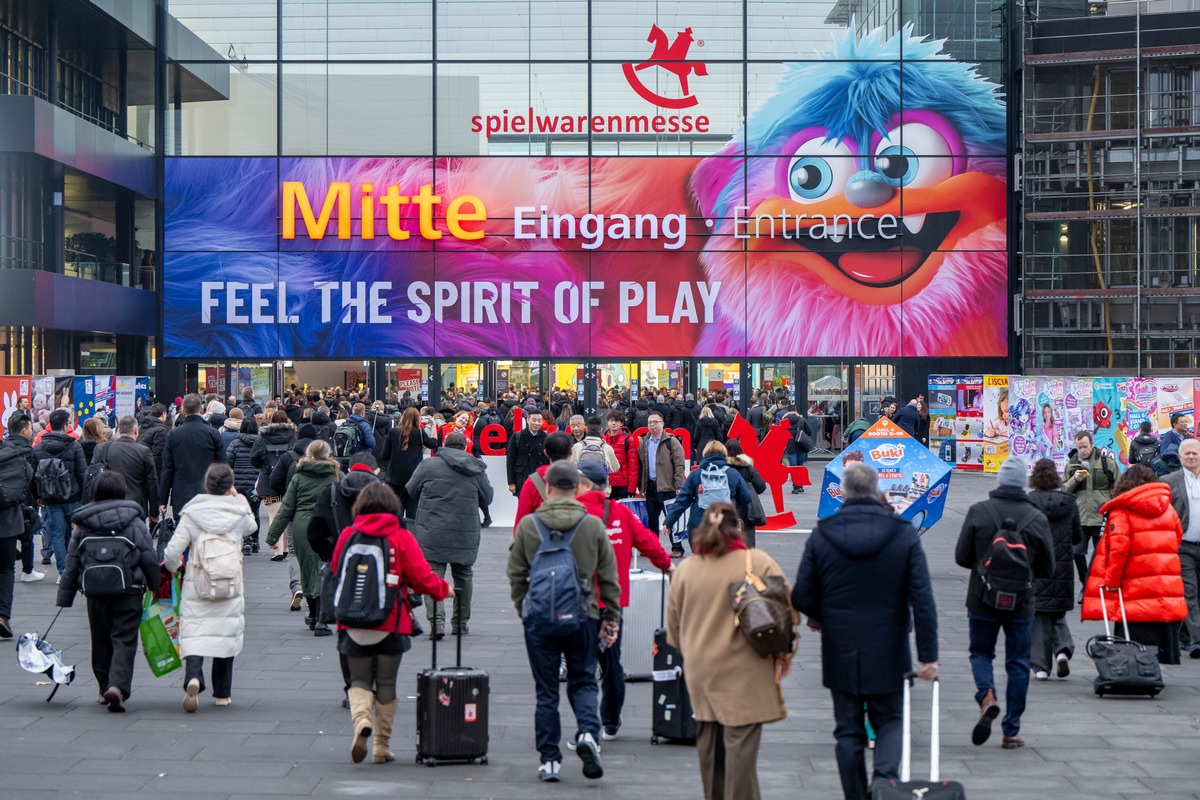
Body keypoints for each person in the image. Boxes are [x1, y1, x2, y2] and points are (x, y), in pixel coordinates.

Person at [792, 464, 938, 800]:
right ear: (877, 492)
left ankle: (856, 796)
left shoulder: (823, 534)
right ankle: (884, 785)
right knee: (889, 721)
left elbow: (801, 594)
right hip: (890, 646)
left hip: (841, 646)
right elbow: (923, 598)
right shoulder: (903, 534)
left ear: (844, 493)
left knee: (848, 731)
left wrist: (822, 616)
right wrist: (928, 656)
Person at [667, 503, 793, 800]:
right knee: (742, 751)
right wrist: (784, 653)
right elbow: (787, 612)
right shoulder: (758, 561)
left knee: (709, 747)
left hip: (702, 671)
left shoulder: (686, 570)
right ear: (736, 527)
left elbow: (673, 632)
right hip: (748, 668)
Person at [507, 461, 621, 783]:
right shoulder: (592, 525)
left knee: (546, 691)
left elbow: (515, 574)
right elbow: (608, 578)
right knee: (584, 679)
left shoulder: (530, 525)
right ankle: (587, 733)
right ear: (577, 489)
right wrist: (610, 615)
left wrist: (523, 609)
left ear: (548, 489)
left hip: (540, 618)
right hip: (583, 615)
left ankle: (549, 760)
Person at [332, 482, 452, 763]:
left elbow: (337, 570)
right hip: (390, 619)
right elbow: (422, 576)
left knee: (359, 679)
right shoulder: (401, 537)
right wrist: (442, 589)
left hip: (353, 620)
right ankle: (381, 747)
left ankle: (361, 720)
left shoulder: (349, 534)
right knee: (386, 681)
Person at [955, 457, 1054, 749]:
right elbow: (1048, 568)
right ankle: (1011, 729)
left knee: (981, 653)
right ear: (1024, 482)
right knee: (1019, 663)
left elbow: (961, 557)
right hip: (1021, 601)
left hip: (982, 598)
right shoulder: (1036, 518)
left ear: (999, 480)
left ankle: (986, 695)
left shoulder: (978, 511)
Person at [575, 461, 673, 741]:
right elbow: (649, 543)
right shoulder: (620, 513)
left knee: (582, 666)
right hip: (612, 604)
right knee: (611, 663)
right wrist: (668, 566)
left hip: (579, 602)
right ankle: (611, 721)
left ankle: (587, 728)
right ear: (603, 487)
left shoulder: (573, 513)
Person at [55, 471, 161, 711]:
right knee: (124, 639)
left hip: (95, 592)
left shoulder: (83, 525)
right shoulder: (133, 521)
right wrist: (155, 584)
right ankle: (118, 686)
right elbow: (148, 557)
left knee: (100, 640)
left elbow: (72, 563)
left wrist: (65, 597)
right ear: (122, 492)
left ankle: (104, 688)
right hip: (130, 589)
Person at [164, 464, 257, 712]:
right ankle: (222, 693)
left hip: (198, 582)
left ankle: (193, 677)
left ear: (206, 484)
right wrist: (238, 497)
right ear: (229, 486)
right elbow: (253, 526)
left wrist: (175, 569)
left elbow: (173, 551)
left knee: (195, 633)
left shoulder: (193, 512)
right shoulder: (238, 512)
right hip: (229, 582)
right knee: (225, 635)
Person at [1083, 463, 1187, 664]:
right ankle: (1153, 666)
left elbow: (1118, 550)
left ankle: (1134, 668)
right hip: (1163, 578)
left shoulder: (1122, 510)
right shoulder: (1168, 509)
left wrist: (1112, 581)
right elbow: (1177, 538)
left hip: (1133, 581)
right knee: (1158, 621)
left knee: (1134, 624)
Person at [406, 431, 493, 639]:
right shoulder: (475, 468)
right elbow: (487, 498)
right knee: (463, 574)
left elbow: (411, 489)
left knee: (433, 573)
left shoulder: (429, 465)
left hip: (431, 528)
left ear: (445, 444)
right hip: (465, 530)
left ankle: (437, 623)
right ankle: (460, 623)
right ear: (465, 446)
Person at [266, 440, 341, 636]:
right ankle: (323, 618)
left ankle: (314, 615)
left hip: (303, 525)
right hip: (330, 525)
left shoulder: (299, 476)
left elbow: (286, 508)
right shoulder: (336, 474)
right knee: (327, 569)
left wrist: (273, 536)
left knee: (308, 570)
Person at [1026, 458, 1082, 680]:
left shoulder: (1029, 501)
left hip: (1036, 565)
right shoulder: (1069, 502)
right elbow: (1077, 537)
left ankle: (1040, 667)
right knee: (1057, 612)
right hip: (1062, 566)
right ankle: (1062, 651)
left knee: (1039, 614)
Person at [662, 441, 753, 557]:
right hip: (725, 523)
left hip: (699, 525)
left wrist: (669, 521)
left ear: (705, 454)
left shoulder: (695, 474)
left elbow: (682, 501)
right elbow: (746, 498)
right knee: (724, 559)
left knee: (700, 560)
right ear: (724, 454)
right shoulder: (732, 473)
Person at [33, 408, 88, 580]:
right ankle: (77, 568)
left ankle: (63, 572)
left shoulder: (39, 447)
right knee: (77, 533)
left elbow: (35, 475)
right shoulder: (74, 445)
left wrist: (38, 496)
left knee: (56, 534)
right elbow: (82, 473)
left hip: (51, 497)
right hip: (73, 497)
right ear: (65, 426)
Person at [1063, 431, 1119, 591]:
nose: (1082, 450)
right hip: (1080, 518)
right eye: (1079, 447)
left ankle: (1093, 586)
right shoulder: (1071, 465)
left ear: (1092, 444)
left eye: (1085, 447)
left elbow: (1119, 485)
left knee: (1101, 556)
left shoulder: (1106, 463)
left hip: (1101, 517)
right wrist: (1075, 479)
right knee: (1077, 553)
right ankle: (1086, 583)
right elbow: (1064, 489)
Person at [159, 394, 225, 519]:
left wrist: (163, 500)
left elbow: (167, 469)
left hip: (181, 494)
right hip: (208, 493)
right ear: (201, 409)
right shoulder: (212, 433)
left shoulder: (174, 435)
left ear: (183, 410)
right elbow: (223, 465)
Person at [1162, 440, 1200, 656]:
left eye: (1195, 453)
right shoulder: (1169, 481)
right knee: (1189, 591)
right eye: (1187, 454)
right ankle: (1197, 640)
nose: (1191, 457)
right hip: (1182, 545)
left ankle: (1184, 636)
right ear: (1179, 457)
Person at [0, 426, 35, 638]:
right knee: (6, 568)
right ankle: (3, 615)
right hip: (9, 521)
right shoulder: (13, 454)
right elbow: (28, 476)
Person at [638, 411, 687, 554]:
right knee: (651, 519)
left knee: (671, 519)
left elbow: (679, 464)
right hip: (651, 486)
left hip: (668, 487)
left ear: (662, 424)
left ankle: (677, 548)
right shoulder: (645, 441)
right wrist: (642, 486)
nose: (652, 425)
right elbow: (642, 465)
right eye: (649, 422)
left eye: (655, 422)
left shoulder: (671, 441)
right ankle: (653, 547)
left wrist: (679, 485)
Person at [380, 407, 440, 518]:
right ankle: (410, 534)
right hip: (414, 477)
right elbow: (433, 444)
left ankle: (396, 534)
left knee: (396, 510)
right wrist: (432, 425)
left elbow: (384, 456)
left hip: (395, 477)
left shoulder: (393, 432)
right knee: (412, 511)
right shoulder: (420, 433)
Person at [5, 414, 44, 586]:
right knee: (27, 535)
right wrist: (38, 497)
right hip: (25, 500)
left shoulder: (3, 448)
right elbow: (34, 477)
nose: (31, 431)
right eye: (30, 428)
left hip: (6, 499)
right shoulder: (29, 452)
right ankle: (27, 570)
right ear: (23, 430)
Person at [98, 416, 159, 521]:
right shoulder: (144, 451)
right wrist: (154, 512)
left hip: (111, 505)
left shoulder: (105, 448)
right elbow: (152, 483)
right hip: (136, 506)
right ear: (136, 431)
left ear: (118, 430)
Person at [514, 431, 575, 527]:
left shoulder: (533, 482)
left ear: (545, 452)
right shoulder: (581, 481)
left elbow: (522, 520)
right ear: (571, 452)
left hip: (540, 537)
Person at [226, 417, 261, 555]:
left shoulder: (235, 443)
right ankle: (255, 540)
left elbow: (228, 463)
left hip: (239, 483)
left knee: (241, 512)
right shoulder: (260, 443)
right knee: (255, 512)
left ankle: (245, 541)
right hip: (255, 484)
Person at [725, 439, 767, 547]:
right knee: (747, 535)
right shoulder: (747, 468)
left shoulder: (722, 468)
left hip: (726, 505)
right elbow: (761, 487)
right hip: (747, 507)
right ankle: (748, 559)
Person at [506, 408, 549, 498]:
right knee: (524, 506)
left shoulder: (546, 438)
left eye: (539, 421)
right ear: (527, 420)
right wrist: (511, 482)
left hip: (540, 478)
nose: (536, 423)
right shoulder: (518, 436)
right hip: (522, 477)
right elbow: (510, 460)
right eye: (534, 420)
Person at [601, 411, 639, 500]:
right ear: (608, 422)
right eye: (611, 420)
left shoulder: (628, 440)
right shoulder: (603, 439)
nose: (613, 423)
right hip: (608, 484)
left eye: (617, 421)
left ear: (621, 423)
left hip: (623, 485)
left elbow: (633, 466)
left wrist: (632, 488)